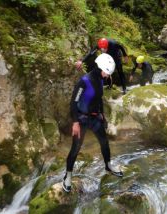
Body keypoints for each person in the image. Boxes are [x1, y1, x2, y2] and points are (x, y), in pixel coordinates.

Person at [63, 53, 123, 193]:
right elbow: (73, 102)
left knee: (104, 143)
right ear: (100, 68)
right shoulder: (84, 81)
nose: (108, 76)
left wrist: (102, 115)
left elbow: (98, 99)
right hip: (82, 119)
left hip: (95, 118)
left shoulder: (100, 79)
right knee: (75, 148)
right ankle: (68, 175)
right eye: (107, 73)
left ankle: (108, 166)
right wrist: (75, 122)